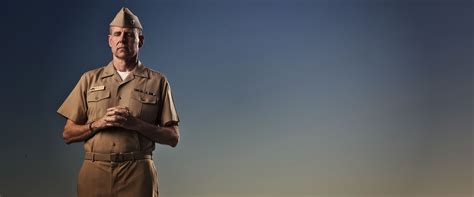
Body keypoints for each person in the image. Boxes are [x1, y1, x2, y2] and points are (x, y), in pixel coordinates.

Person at [57, 7, 180, 197]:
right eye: (117, 34)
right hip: (94, 172)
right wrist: (99, 123)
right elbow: (68, 134)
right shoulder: (89, 79)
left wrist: (136, 124)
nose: (122, 39)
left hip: (137, 173)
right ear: (110, 41)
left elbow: (173, 137)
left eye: (129, 35)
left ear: (141, 41)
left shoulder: (158, 82)